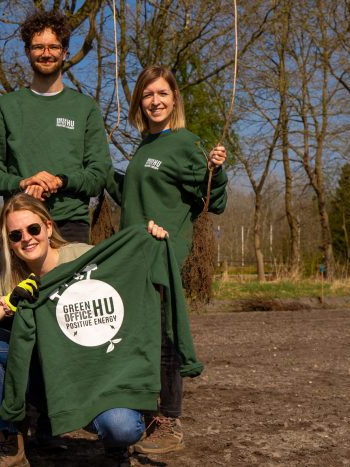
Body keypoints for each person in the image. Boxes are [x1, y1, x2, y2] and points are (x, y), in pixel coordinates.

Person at [0, 194, 167, 467]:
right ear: (10, 242)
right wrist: (7, 305)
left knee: (122, 428)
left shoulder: (82, 257)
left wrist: (150, 242)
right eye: (15, 235)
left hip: (99, 378)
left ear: (48, 227)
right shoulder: (12, 279)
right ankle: (9, 441)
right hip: (54, 381)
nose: (26, 239)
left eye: (33, 229)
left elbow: (134, 283)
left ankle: (117, 447)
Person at [106, 65, 228, 456]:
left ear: (174, 98)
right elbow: (133, 197)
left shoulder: (186, 142)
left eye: (162, 93)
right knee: (139, 339)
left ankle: (169, 423)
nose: (155, 101)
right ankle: (142, 419)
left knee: (163, 339)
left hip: (161, 256)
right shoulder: (146, 145)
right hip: (133, 258)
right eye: (147, 95)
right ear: (139, 102)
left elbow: (214, 201)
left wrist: (217, 171)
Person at [0, 9, 111, 244]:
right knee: (5, 283)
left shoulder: (85, 108)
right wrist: (22, 183)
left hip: (71, 226)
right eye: (38, 47)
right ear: (28, 52)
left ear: (65, 51)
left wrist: (60, 181)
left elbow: (99, 174)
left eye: (54, 47)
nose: (46, 53)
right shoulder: (5, 107)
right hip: (20, 224)